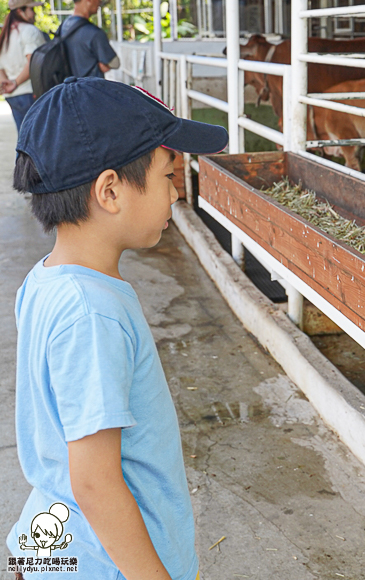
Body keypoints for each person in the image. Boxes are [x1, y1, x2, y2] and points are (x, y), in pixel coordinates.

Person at [7, 77, 228, 580]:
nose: (176, 193)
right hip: (108, 567)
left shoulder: (45, 282)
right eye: (167, 176)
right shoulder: (92, 314)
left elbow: (61, 445)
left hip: (56, 550)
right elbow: (95, 484)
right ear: (110, 191)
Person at [0, 0, 47, 130]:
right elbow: (34, 62)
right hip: (29, 92)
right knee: (37, 137)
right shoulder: (29, 31)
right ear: (20, 11)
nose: (34, 14)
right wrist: (15, 83)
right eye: (31, 9)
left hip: (13, 95)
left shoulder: (6, 33)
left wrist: (6, 84)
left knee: (25, 137)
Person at [58, 0, 119, 78]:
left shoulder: (62, 27)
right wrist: (101, 65)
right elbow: (115, 63)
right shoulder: (94, 33)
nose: (100, 2)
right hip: (91, 85)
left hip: (68, 84)